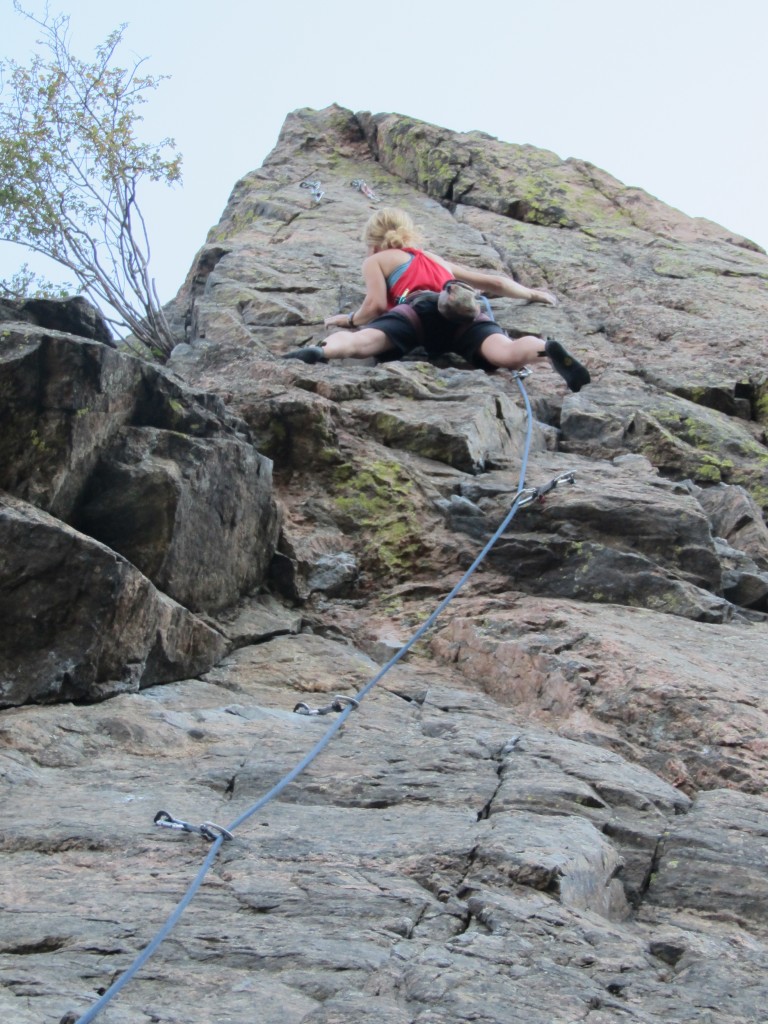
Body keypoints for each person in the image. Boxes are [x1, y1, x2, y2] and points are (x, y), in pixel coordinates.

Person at [283, 207, 590, 392]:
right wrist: (535, 294)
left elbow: (375, 307)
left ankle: (321, 352)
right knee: (507, 353)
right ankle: (546, 349)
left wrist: (347, 320)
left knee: (362, 341)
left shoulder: (378, 260)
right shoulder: (434, 259)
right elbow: (495, 282)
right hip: (462, 310)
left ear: (373, 242)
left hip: (419, 311)